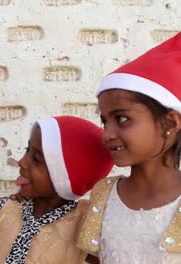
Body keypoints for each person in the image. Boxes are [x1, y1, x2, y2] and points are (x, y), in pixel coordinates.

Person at [77, 33, 181, 263]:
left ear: (170, 123)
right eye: (105, 121)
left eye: (122, 119)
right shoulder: (104, 195)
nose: (108, 134)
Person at [0, 116, 114, 264]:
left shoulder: (83, 226)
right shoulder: (2, 209)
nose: (22, 162)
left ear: (66, 178)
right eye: (27, 150)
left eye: (36, 159)